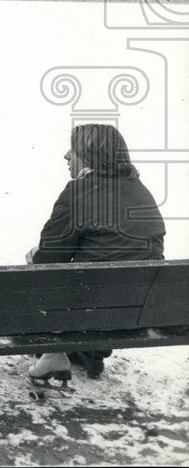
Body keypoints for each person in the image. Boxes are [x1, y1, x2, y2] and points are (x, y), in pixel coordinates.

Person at [27, 123, 165, 381]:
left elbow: (47, 260)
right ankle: (89, 351)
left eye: (73, 150)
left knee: (35, 263)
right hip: (139, 310)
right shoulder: (141, 191)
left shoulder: (78, 191)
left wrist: (35, 253)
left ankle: (53, 351)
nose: (67, 156)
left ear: (90, 155)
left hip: (89, 310)